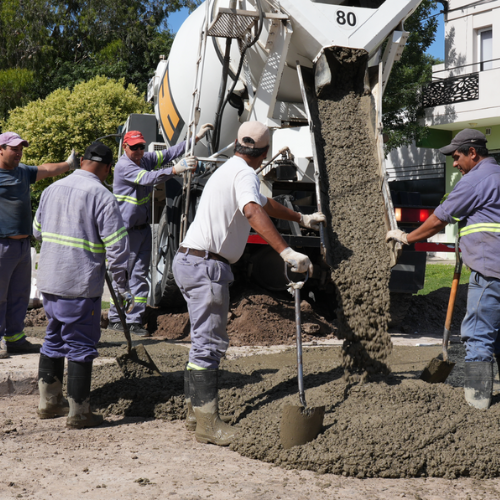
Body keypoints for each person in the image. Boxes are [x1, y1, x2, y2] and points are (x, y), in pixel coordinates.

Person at [173, 121, 326, 446]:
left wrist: (301, 218)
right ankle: (208, 425)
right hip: (206, 265)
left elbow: (266, 203)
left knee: (201, 341)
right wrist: (286, 252)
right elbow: (253, 209)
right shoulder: (244, 174)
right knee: (209, 344)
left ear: (235, 145)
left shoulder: (230, 170)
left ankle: (195, 413)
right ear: (265, 154)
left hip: (189, 261)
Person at [386, 128, 500, 410]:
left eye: (457, 156)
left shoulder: (476, 180)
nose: (455, 163)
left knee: (478, 334)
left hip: (490, 270)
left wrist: (407, 237)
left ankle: (477, 403)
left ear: (473, 153)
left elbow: (439, 219)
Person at [33, 141, 131, 428]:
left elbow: (37, 232)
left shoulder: (51, 189)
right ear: (107, 168)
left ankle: (49, 403)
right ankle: (79, 413)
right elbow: (117, 248)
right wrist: (122, 287)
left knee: (53, 338)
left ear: (83, 161)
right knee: (80, 344)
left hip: (50, 281)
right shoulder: (102, 196)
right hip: (78, 284)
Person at [108, 124, 213, 336]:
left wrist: (194, 139)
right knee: (122, 276)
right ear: (125, 147)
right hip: (125, 232)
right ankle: (116, 318)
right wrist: (175, 170)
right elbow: (148, 178)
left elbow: (169, 153)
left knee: (139, 275)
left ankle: (134, 320)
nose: (139, 151)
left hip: (142, 230)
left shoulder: (144, 159)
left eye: (141, 147)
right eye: (134, 147)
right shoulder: (123, 166)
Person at [0, 132, 78, 359]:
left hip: (23, 246)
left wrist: (69, 164)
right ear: (1, 150)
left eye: (20, 149)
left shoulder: (23, 172)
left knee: (19, 295)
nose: (18, 153)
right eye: (14, 149)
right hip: (2, 244)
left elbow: (46, 169)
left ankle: (15, 338)